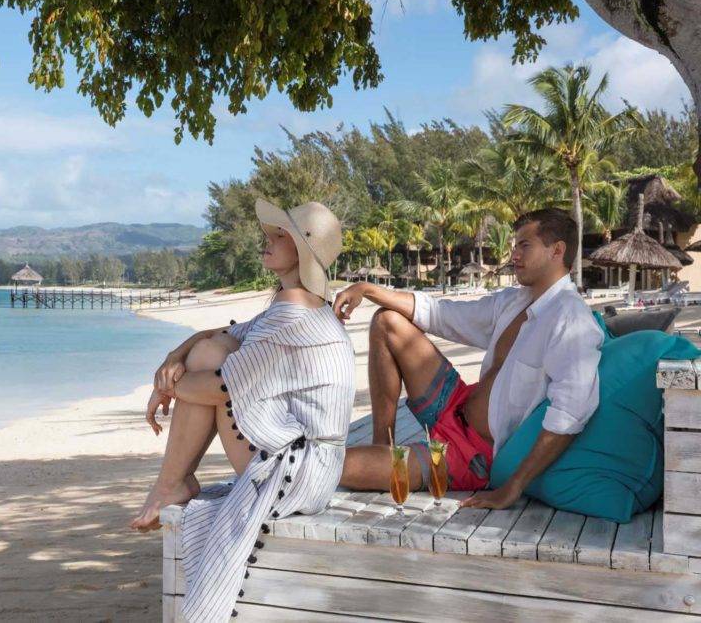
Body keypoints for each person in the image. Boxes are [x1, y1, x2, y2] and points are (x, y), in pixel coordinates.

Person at [131, 198, 355, 622]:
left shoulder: (295, 319)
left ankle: (171, 485)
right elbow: (220, 333)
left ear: (302, 252)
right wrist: (171, 360)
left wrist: (169, 387)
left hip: (302, 472)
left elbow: (220, 388)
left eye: (279, 236)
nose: (265, 241)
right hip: (315, 460)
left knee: (210, 359)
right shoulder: (294, 306)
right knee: (210, 349)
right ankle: (172, 484)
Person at [334, 208, 603, 509]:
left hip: (470, 453)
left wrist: (512, 487)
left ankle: (380, 464)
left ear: (557, 251)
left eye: (524, 245)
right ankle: (382, 445)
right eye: (515, 245)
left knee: (338, 465)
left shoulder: (571, 320)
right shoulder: (515, 301)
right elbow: (440, 314)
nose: (514, 254)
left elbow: (571, 413)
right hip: (455, 403)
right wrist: (366, 289)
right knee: (387, 322)